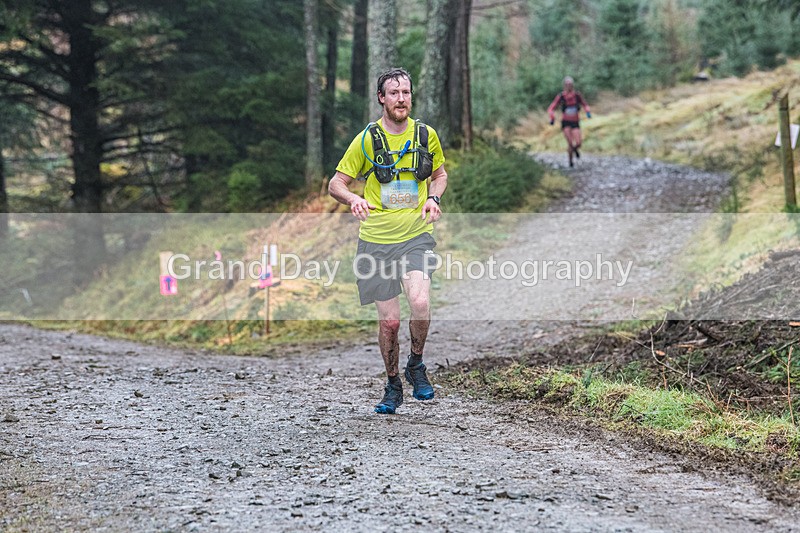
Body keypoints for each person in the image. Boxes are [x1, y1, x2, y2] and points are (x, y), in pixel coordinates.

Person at [328, 67, 448, 415]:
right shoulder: (367, 139)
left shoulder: (426, 135)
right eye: (394, 93)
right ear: (381, 98)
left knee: (421, 302)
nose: (401, 99)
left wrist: (433, 198)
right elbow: (336, 182)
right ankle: (393, 383)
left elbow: (439, 176)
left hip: (415, 236)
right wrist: (352, 199)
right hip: (376, 240)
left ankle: (417, 364)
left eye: (406, 93)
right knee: (390, 322)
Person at [547, 76, 591, 168]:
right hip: (566, 122)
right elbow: (551, 108)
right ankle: (570, 162)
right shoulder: (561, 96)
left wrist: (587, 112)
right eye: (567, 85)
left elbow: (585, 104)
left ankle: (575, 150)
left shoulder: (577, 95)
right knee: (570, 142)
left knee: (578, 142)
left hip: (575, 122)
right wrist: (552, 117)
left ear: (573, 85)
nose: (569, 86)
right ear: (564, 85)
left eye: (570, 85)